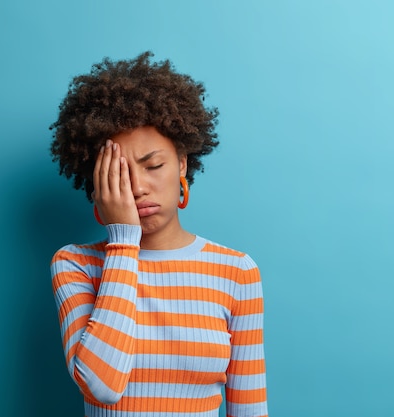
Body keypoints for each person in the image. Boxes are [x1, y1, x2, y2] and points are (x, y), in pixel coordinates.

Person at [49, 51, 268, 417]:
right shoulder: (75, 265)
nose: (138, 188)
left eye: (153, 165)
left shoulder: (237, 273)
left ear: (182, 162)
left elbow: (249, 410)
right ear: (96, 183)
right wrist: (122, 239)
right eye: (118, 174)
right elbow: (102, 385)